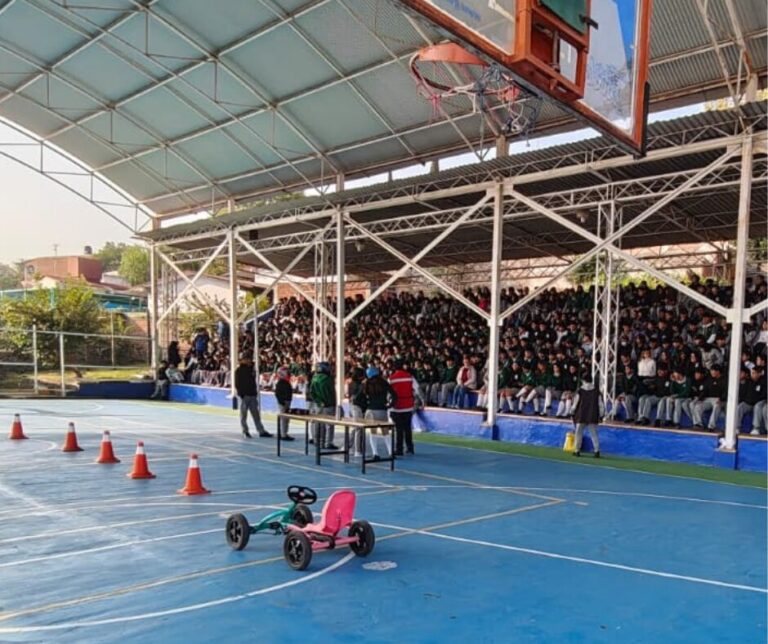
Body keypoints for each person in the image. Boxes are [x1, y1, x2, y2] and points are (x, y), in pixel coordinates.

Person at [389, 359, 423, 456]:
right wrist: (422, 401)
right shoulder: (410, 377)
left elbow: (388, 393)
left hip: (396, 407)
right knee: (407, 428)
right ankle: (410, 448)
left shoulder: (391, 378)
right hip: (408, 406)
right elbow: (418, 389)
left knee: (399, 429)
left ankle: (399, 449)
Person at [234, 354, 272, 438]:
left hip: (252, 394)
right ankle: (245, 431)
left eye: (248, 359)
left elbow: (259, 366)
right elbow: (237, 384)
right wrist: (241, 394)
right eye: (245, 359)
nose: (248, 361)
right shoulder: (239, 370)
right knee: (243, 415)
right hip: (244, 396)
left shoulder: (251, 369)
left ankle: (261, 430)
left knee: (256, 414)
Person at [363, 366, 396, 460]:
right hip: (382, 410)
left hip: (370, 410)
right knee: (385, 432)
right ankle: (390, 452)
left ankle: (375, 454)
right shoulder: (384, 383)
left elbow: (363, 397)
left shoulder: (366, 384)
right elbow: (394, 395)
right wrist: (389, 405)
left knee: (373, 432)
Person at [570, 371, 602, 458]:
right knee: (594, 434)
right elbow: (600, 404)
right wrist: (602, 414)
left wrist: (572, 411)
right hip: (592, 415)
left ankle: (577, 450)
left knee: (578, 433)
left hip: (581, 415)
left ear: (583, 380)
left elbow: (575, 403)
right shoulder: (596, 391)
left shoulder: (580, 391)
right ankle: (597, 451)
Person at [309, 361, 338, 450]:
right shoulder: (329, 379)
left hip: (319, 405)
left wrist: (319, 402)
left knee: (319, 424)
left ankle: (318, 442)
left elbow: (312, 393)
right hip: (329, 405)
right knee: (329, 425)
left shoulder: (314, 378)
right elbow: (332, 393)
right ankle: (328, 443)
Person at [274, 366, 295, 441]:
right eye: (287, 372)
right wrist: (282, 402)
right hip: (283, 402)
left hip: (287, 401)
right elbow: (277, 394)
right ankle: (283, 434)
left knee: (286, 419)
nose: (288, 374)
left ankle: (284, 433)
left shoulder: (286, 382)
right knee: (284, 419)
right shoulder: (280, 383)